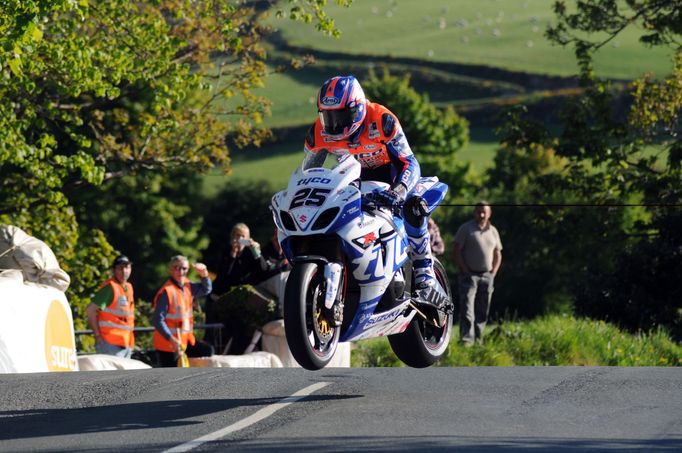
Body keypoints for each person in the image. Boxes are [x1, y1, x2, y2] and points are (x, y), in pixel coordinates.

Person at [304, 75, 439, 296]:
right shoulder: (318, 132)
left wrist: (400, 190)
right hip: (355, 179)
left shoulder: (382, 119)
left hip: (393, 173)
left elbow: (409, 161)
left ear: (357, 108)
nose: (335, 124)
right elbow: (307, 173)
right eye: (328, 116)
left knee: (413, 205)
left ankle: (424, 267)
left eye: (341, 115)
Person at [453, 201, 503, 346]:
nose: (481, 215)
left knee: (483, 309)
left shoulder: (493, 231)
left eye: (484, 212)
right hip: (469, 276)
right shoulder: (466, 228)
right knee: (467, 309)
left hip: (487, 276)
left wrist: (493, 272)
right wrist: (465, 270)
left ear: (489, 213)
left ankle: (479, 340)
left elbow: (498, 254)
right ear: (474, 212)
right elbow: (456, 251)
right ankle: (466, 341)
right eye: (478, 212)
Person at [152, 255, 214, 367]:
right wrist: (171, 339)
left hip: (185, 341)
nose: (181, 271)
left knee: (207, 351)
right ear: (171, 270)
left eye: (184, 268)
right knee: (172, 377)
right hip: (168, 346)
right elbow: (157, 320)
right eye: (177, 268)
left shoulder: (188, 286)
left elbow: (206, 289)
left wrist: (204, 274)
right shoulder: (167, 292)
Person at [86, 255, 135, 358]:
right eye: (120, 268)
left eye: (127, 267)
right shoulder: (110, 288)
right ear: (114, 270)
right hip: (109, 344)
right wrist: (97, 336)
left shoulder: (128, 287)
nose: (124, 271)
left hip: (125, 344)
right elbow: (90, 310)